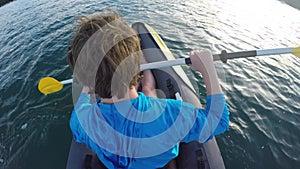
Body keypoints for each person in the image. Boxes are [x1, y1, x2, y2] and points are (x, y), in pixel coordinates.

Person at [67, 11, 229, 169]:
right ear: (136, 68)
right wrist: (207, 70)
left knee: (148, 92)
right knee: (150, 91)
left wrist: (86, 86)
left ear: (85, 80)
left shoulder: (82, 120)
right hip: (158, 162)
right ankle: (142, 76)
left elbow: (81, 106)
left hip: (112, 163)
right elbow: (219, 121)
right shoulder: (171, 114)